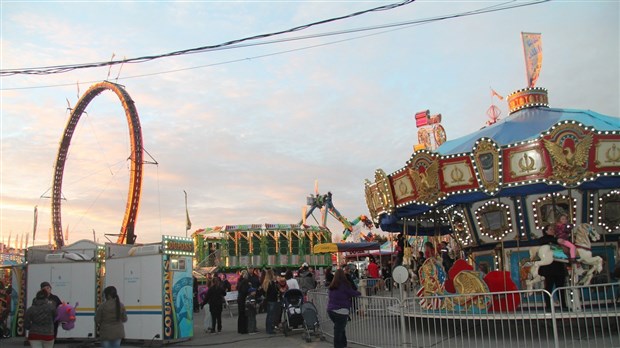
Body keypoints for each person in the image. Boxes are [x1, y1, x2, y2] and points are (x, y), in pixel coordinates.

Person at [327, 269, 361, 348]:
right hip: (341, 311)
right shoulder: (345, 285)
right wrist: (359, 293)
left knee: (340, 328)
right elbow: (353, 293)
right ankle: (339, 346)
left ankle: (343, 344)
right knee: (339, 330)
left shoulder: (332, 286)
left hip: (331, 310)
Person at [538, 224, 568, 311]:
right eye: (550, 229)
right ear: (546, 231)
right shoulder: (544, 239)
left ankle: (563, 305)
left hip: (558, 266)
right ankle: (548, 306)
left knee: (561, 288)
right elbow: (544, 240)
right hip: (549, 268)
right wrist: (557, 240)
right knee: (549, 287)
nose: (552, 230)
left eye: (553, 229)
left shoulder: (557, 241)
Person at [261, 269, 278, 334]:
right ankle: (270, 329)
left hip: (268, 300)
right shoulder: (271, 283)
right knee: (271, 315)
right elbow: (274, 292)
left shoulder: (265, 282)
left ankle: (268, 328)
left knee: (269, 315)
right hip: (272, 300)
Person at [236, 270, 250, 334]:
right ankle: (244, 329)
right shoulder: (245, 281)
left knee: (240, 314)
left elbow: (238, 288)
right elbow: (245, 291)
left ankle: (240, 329)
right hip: (243, 299)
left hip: (239, 298)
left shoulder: (239, 281)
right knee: (244, 314)